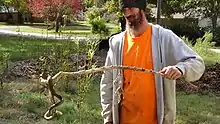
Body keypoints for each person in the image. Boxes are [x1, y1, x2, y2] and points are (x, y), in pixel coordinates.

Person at [100, 0, 205, 124]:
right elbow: (107, 83)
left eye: (131, 8)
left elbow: (197, 63)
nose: (127, 13)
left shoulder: (164, 38)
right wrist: (108, 117)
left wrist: (180, 69)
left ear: (142, 8)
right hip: (124, 120)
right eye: (124, 10)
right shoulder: (117, 43)